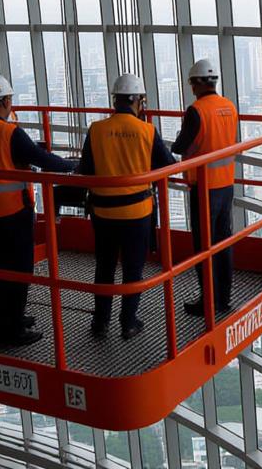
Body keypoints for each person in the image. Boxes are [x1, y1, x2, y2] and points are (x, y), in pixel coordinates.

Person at [0, 74, 76, 347]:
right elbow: (42, 159)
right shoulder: (9, 133)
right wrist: (72, 165)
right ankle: (11, 330)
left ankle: (9, 319)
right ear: (4, 101)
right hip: (14, 211)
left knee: (1, 267)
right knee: (20, 269)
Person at [77, 74, 177, 340]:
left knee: (104, 267)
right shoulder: (146, 131)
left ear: (115, 100)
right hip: (137, 213)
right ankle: (128, 322)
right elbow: (168, 165)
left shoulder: (96, 130)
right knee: (133, 269)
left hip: (103, 212)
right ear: (139, 101)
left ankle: (100, 322)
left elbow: (85, 170)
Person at [170, 59, 238, 316]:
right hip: (226, 185)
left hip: (204, 187)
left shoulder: (196, 111)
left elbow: (180, 145)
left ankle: (208, 301)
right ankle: (223, 299)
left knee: (204, 247)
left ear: (195, 84)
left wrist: (174, 144)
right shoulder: (229, 107)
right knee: (222, 243)